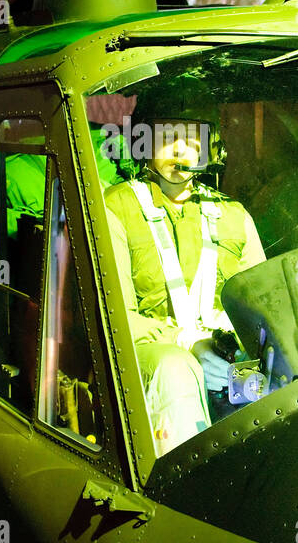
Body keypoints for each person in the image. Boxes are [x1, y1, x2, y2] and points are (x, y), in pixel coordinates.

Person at [104, 112, 265, 456]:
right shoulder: (113, 207)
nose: (180, 151)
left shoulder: (233, 213)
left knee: (262, 372)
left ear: (211, 150)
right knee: (176, 368)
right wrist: (184, 341)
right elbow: (110, 316)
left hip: (220, 349)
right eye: (167, 139)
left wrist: (235, 339)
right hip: (150, 351)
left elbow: (264, 305)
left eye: (193, 141)